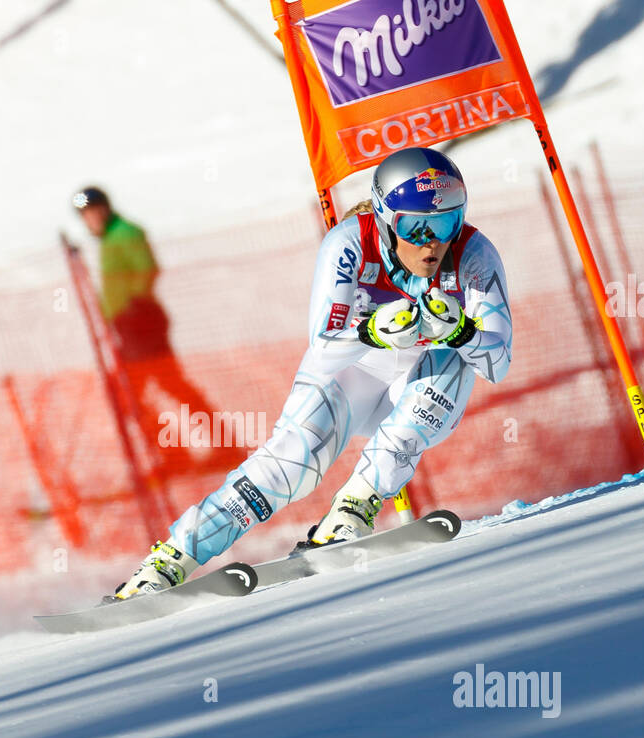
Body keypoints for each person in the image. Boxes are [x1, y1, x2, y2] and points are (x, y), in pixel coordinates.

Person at [112, 146, 513, 599]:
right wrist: (373, 333)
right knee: (290, 467)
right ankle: (167, 563)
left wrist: (461, 333)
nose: (432, 243)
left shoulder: (474, 253)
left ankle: (353, 507)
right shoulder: (348, 243)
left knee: (450, 362)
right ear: (384, 219)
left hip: (417, 392)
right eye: (415, 226)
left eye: (446, 223)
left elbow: (498, 362)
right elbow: (321, 352)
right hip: (351, 378)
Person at [72, 186, 237, 470]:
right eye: (85, 214)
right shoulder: (111, 239)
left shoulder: (125, 233)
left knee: (145, 389)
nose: (92, 219)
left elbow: (147, 268)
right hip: (129, 325)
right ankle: (184, 453)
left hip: (141, 324)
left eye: (94, 211)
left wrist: (134, 305)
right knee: (145, 390)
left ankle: (206, 451)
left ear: (105, 208)